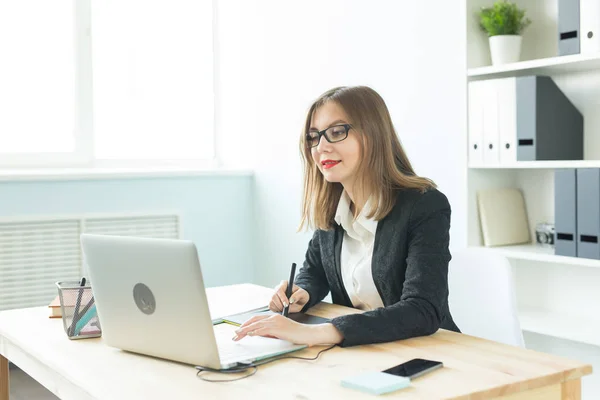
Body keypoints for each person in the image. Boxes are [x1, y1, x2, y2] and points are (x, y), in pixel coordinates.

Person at [233, 86, 460, 347]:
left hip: (427, 352)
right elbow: (315, 273)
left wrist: (320, 333)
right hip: (364, 350)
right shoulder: (333, 209)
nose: (321, 147)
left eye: (337, 132)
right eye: (313, 137)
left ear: (373, 134)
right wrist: (301, 293)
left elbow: (422, 310)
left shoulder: (424, 205)